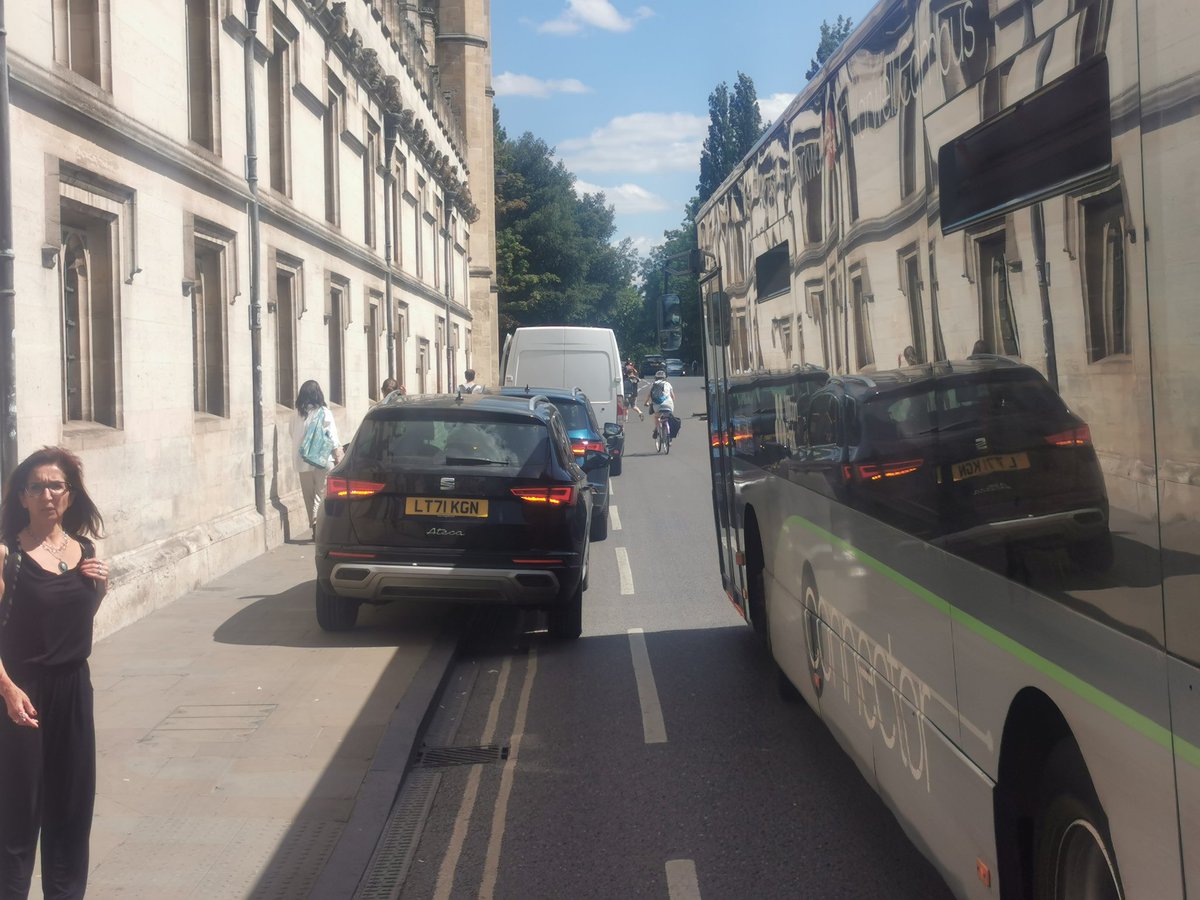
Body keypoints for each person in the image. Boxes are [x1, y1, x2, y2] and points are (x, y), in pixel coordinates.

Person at [0, 446, 109, 899]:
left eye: (56, 486)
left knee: (71, 813)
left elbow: (73, 622)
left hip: (74, 691)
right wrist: (8, 690)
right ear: (22, 497)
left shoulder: (85, 550)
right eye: (37, 487)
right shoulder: (8, 555)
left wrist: (100, 589)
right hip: (21, 696)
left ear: (70, 495)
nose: (47, 494)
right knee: (17, 820)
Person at [291, 380, 344, 534]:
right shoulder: (324, 412)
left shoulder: (295, 414)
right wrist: (338, 456)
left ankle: (313, 521)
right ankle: (317, 521)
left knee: (308, 495)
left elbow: (291, 433)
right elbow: (333, 437)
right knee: (321, 493)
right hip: (323, 459)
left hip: (302, 460)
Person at [644, 369, 676, 439]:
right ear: (665, 377)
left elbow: (649, 395)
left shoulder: (653, 384)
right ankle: (669, 432)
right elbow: (673, 397)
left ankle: (656, 429)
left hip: (657, 405)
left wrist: (646, 403)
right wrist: (671, 402)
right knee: (668, 416)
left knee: (657, 417)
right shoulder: (668, 384)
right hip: (669, 404)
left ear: (656, 377)